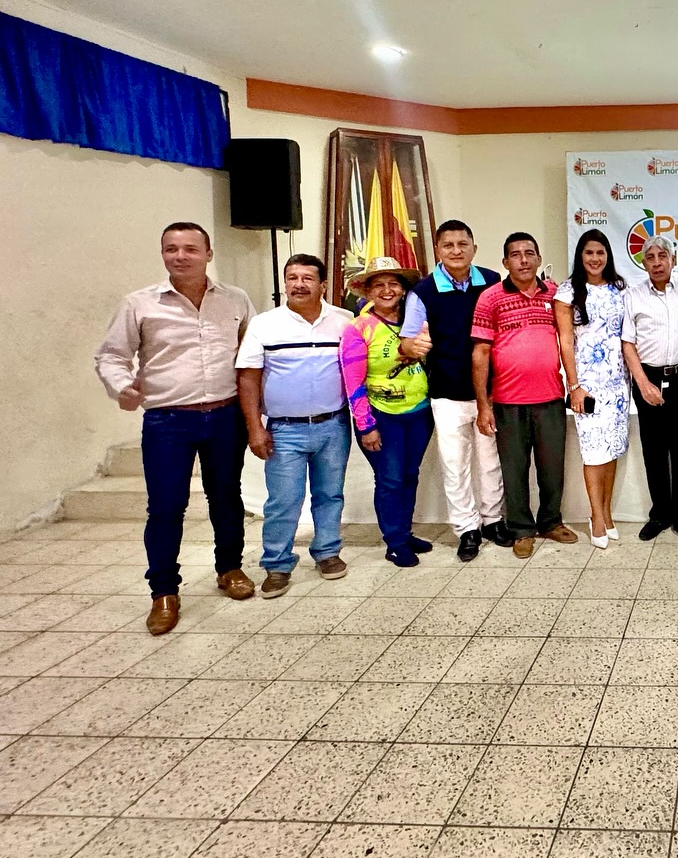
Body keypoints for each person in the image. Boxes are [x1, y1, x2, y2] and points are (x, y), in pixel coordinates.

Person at [95, 222, 257, 636]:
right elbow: (111, 355)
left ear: (208, 254)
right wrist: (122, 386)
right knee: (166, 507)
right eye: (171, 249)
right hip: (168, 420)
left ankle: (230, 568)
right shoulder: (139, 304)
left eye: (190, 248)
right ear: (163, 253)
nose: (180, 256)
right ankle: (164, 592)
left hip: (225, 415)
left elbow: (252, 355)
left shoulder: (236, 299)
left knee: (227, 497)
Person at [236, 254, 354, 598]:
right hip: (284, 430)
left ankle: (328, 552)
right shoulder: (265, 324)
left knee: (330, 494)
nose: (299, 284)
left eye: (307, 278)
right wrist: (254, 428)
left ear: (323, 285)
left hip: (333, 426)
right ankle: (277, 564)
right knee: (284, 500)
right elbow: (248, 378)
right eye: (292, 278)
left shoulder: (344, 321)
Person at [398, 220, 514, 561]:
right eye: (448, 245)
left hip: (490, 392)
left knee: (490, 461)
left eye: (463, 244)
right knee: (455, 465)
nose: (456, 251)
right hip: (446, 392)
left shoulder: (493, 282)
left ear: (474, 248)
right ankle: (467, 529)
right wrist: (411, 346)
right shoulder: (422, 292)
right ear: (438, 250)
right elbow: (407, 341)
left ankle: (493, 520)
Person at [473, 232, 576, 558]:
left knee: (552, 468)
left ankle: (550, 522)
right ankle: (520, 529)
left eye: (529, 253)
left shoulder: (555, 294)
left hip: (550, 398)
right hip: (508, 402)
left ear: (538, 258)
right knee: (514, 470)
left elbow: (569, 339)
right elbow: (480, 354)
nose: (523, 260)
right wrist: (483, 405)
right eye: (515, 255)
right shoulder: (490, 298)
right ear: (505, 262)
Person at [339, 256, 434, 568]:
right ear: (367, 291)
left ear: (404, 289)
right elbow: (353, 382)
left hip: (418, 413)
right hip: (382, 415)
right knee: (390, 479)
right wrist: (366, 425)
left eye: (393, 283)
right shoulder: (358, 329)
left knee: (409, 475)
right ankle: (394, 542)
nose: (387, 290)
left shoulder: (416, 322)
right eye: (378, 285)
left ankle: (404, 532)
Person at [621, 236, 678, 547]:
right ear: (643, 263)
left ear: (673, 259)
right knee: (654, 450)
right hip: (649, 376)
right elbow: (628, 343)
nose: (657, 262)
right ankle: (659, 515)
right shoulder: (634, 296)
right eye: (650, 257)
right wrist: (642, 383)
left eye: (662, 256)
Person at [556, 230, 631, 548]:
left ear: (608, 255)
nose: (595, 258)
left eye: (600, 252)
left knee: (612, 450)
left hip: (618, 386)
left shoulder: (619, 288)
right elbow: (565, 342)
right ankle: (596, 516)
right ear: (580, 256)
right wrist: (574, 386)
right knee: (593, 453)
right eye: (589, 253)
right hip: (587, 387)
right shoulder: (567, 292)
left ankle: (608, 513)